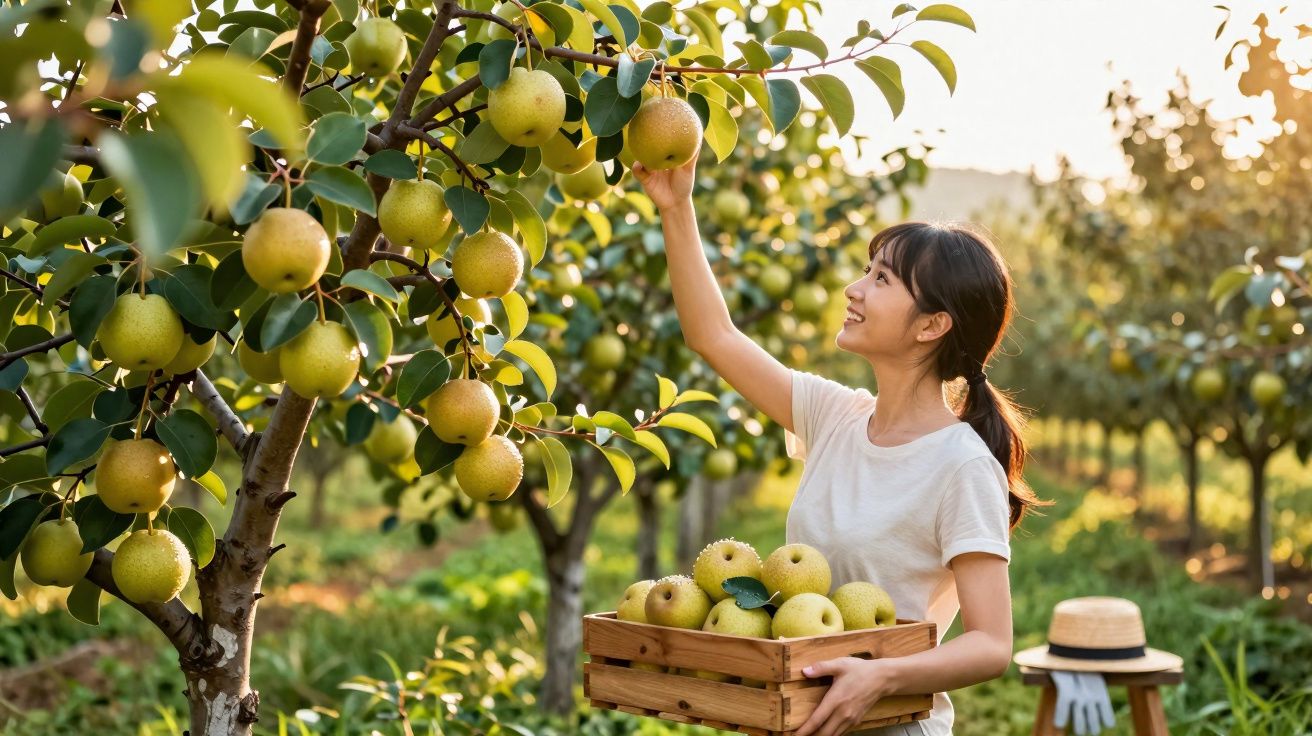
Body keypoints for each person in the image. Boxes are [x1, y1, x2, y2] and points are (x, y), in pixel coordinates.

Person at [632, 148, 1050, 736]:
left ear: (931, 325)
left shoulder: (960, 465)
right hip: (804, 721)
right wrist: (677, 208)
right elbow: (714, 336)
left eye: (880, 279)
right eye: (866, 269)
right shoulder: (835, 417)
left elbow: (990, 644)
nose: (854, 289)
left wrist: (880, 677)